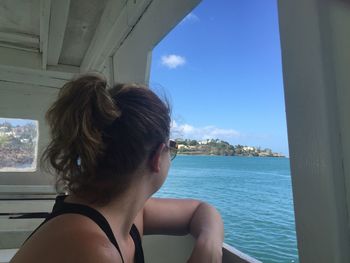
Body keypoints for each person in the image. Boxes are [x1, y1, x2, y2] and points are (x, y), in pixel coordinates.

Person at [10, 74, 224, 263]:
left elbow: (202, 210)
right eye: (171, 147)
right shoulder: (92, 250)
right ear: (157, 157)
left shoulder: (124, 213)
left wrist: (209, 246)